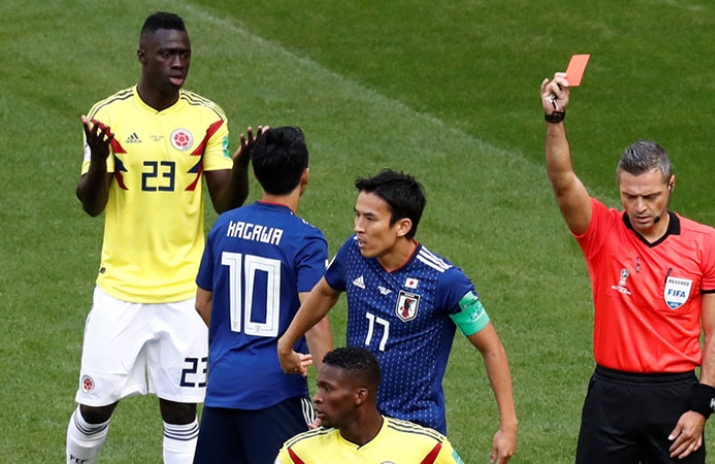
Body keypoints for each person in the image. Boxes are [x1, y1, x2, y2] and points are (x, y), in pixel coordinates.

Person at [67, 12, 251, 464]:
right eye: (168, 53)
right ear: (143, 55)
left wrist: (242, 163)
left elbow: (227, 202)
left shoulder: (207, 117)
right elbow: (91, 204)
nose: (179, 61)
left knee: (182, 412)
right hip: (120, 291)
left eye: (185, 54)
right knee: (93, 407)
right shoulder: (106, 117)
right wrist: (98, 157)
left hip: (185, 293)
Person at [540, 73, 715, 463]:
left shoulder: (706, 243)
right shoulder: (601, 231)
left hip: (675, 396)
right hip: (611, 396)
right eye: (630, 196)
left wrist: (701, 405)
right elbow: (563, 181)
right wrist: (555, 120)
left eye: (650, 195)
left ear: (671, 186)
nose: (640, 206)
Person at [278, 170, 518, 464]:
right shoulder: (353, 254)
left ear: (402, 226)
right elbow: (325, 293)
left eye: (370, 219)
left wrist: (508, 426)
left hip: (414, 429)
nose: (358, 228)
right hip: (358, 423)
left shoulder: (444, 280)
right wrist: (287, 342)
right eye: (357, 216)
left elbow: (490, 348)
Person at [191, 126, 332, 464]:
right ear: (305, 176)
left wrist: (233, 342)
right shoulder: (306, 239)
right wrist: (330, 391)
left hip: (222, 387)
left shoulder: (225, 225)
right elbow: (314, 321)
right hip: (276, 393)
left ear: (255, 173)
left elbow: (202, 302)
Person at [276, 346, 466, 464]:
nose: (316, 398)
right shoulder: (298, 453)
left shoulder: (427, 448)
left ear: (360, 396)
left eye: (328, 389)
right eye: (319, 387)